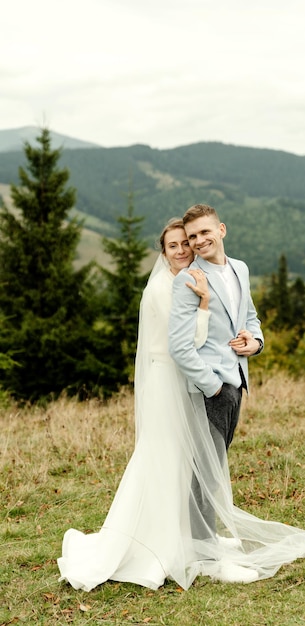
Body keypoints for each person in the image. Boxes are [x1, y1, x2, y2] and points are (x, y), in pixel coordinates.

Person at [168, 204, 305, 583]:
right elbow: (179, 346)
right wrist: (213, 386)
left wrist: (255, 342)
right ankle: (205, 561)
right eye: (192, 238)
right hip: (210, 389)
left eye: (205, 233)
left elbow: (249, 317)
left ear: (221, 229)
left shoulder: (240, 268)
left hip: (238, 382)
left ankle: (203, 540)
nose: (199, 241)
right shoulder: (188, 279)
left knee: (214, 468)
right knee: (203, 473)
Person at [57, 218, 212, 591]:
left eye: (184, 244)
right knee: (162, 457)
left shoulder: (180, 281)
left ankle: (172, 537)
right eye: (172, 245)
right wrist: (205, 304)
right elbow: (189, 340)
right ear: (163, 252)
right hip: (166, 381)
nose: (181, 250)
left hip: (175, 379)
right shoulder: (164, 288)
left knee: (172, 460)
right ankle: (153, 546)